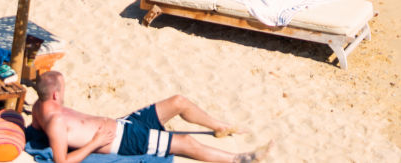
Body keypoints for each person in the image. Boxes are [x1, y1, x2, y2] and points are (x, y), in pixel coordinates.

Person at [32, 71, 266, 163]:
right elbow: (61, 162)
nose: (65, 92)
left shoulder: (38, 107)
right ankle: (240, 159)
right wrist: (93, 143)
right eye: (63, 89)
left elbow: (34, 129)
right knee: (184, 143)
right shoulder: (56, 123)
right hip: (123, 140)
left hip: (124, 123)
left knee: (178, 102)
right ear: (55, 94)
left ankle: (220, 127)